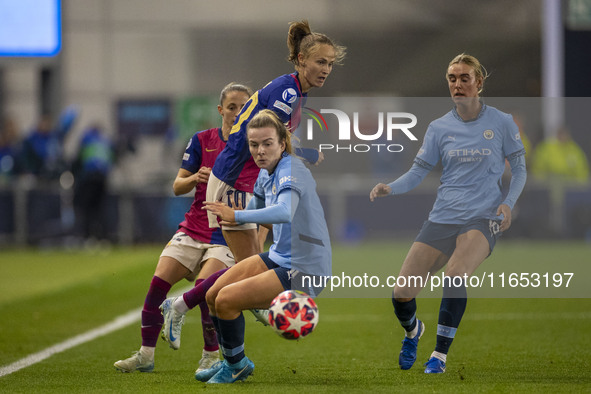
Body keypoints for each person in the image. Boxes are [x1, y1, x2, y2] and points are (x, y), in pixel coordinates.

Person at [370, 54, 527, 374]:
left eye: (464, 78)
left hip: (483, 217)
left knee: (455, 274)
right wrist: (392, 187)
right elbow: (417, 172)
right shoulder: (439, 128)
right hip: (442, 217)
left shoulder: (500, 122)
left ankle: (439, 357)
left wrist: (508, 203)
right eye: (452, 78)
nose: (457, 84)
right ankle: (414, 331)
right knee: (401, 293)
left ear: (479, 83)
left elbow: (520, 169)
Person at [163, 110, 332, 384]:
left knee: (227, 301)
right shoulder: (267, 173)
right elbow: (257, 207)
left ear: (282, 143)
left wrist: (236, 216)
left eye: (267, 143)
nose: (260, 151)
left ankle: (237, 365)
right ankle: (232, 362)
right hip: (281, 257)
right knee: (213, 295)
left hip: (307, 267)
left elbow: (285, 211)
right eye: (254, 145)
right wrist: (237, 219)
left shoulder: (292, 169)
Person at [113, 82, 253, 373]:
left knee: (205, 290)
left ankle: (210, 357)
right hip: (192, 228)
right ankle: (145, 356)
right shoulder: (202, 140)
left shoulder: (254, 146)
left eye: (243, 107)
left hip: (224, 234)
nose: (237, 112)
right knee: (156, 287)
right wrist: (194, 179)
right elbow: (177, 186)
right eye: (232, 107)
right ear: (220, 110)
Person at [206, 20, 345, 266]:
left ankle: (189, 302)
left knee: (254, 263)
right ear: (301, 59)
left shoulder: (296, 90)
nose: (327, 69)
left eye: (331, 64)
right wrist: (305, 154)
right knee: (246, 268)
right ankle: (183, 303)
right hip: (233, 178)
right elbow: (268, 140)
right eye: (320, 62)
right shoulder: (288, 92)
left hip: (246, 179)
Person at [72, 123, 115, 241]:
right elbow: (111, 158)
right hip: (102, 179)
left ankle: (87, 236)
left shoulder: (87, 138)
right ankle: (101, 236)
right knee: (100, 209)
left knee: (87, 209)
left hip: (89, 178)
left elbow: (79, 157)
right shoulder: (105, 140)